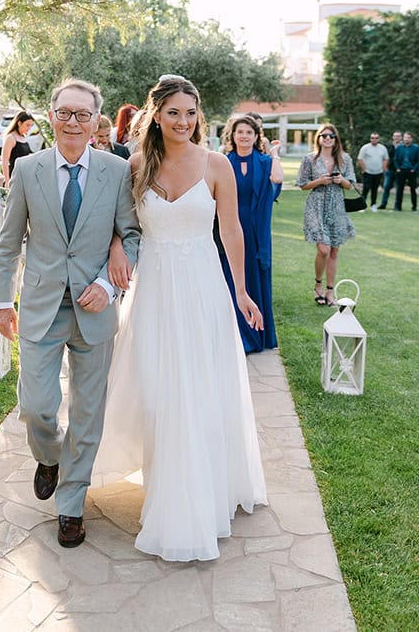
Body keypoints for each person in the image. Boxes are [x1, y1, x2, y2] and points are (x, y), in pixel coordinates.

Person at [93, 75, 267, 562]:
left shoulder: (217, 165)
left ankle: (199, 492)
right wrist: (114, 251)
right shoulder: (136, 166)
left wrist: (242, 291)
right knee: (158, 386)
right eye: (174, 112)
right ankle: (165, 477)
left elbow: (230, 230)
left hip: (203, 288)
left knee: (199, 385)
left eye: (191, 113)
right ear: (156, 114)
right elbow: (120, 224)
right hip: (153, 290)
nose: (184, 122)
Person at [0, 79, 140, 549]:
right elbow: (9, 238)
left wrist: (105, 283)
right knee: (36, 406)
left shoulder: (116, 171)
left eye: (82, 114)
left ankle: (71, 505)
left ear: (97, 121)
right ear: (50, 116)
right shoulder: (27, 169)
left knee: (87, 411)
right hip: (40, 306)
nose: (72, 122)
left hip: (94, 308)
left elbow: (131, 235)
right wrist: (0, 301)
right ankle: (49, 455)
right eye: (64, 113)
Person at [219, 113, 283, 353]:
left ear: (256, 136)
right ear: (233, 136)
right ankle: (237, 334)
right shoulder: (224, 161)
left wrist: (274, 154)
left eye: (249, 132)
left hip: (256, 232)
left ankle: (257, 335)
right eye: (240, 132)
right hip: (228, 227)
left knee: (254, 277)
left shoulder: (265, 162)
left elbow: (277, 179)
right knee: (232, 278)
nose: (244, 136)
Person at [296, 124, 356, 307]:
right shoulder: (310, 159)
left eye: (331, 136)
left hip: (336, 205)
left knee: (334, 250)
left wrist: (341, 180)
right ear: (319, 138)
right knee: (323, 249)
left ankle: (330, 291)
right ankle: (318, 285)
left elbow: (350, 185)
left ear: (336, 138)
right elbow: (302, 184)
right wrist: (319, 181)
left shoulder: (344, 159)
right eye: (324, 136)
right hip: (316, 205)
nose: (328, 138)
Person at [1, 110, 34, 186]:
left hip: (24, 178)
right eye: (27, 125)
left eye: (31, 125)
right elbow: (4, 161)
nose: (29, 128)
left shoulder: (23, 137)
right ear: (19, 123)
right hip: (14, 178)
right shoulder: (10, 138)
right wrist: (7, 181)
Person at [357, 132, 388, 212]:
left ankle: (373, 205)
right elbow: (360, 159)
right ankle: (362, 206)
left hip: (378, 172)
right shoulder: (365, 147)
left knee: (375, 189)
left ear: (378, 139)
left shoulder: (382, 148)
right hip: (368, 172)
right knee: (366, 189)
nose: (374, 139)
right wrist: (364, 169)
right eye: (372, 138)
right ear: (370, 139)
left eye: (376, 138)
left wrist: (383, 168)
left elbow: (386, 158)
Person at [393, 131, 419, 211]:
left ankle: (414, 206)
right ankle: (398, 207)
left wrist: (414, 169)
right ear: (403, 138)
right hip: (401, 170)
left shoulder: (416, 148)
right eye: (405, 137)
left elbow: (418, 160)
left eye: (408, 138)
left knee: (413, 190)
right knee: (399, 189)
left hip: (411, 171)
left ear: (411, 139)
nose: (406, 139)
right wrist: (397, 168)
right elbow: (395, 159)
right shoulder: (399, 148)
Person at [378, 130, 402, 209]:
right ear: (393, 137)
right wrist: (385, 167)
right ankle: (383, 204)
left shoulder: (403, 147)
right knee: (386, 187)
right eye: (395, 136)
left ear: (401, 137)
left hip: (400, 170)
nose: (396, 138)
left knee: (398, 189)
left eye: (398, 136)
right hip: (390, 170)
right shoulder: (388, 146)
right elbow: (384, 157)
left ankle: (397, 206)